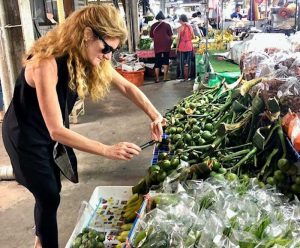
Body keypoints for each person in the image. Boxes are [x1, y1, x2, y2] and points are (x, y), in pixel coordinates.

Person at [2, 5, 166, 248]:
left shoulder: (83, 54)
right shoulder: (45, 63)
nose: (109, 56)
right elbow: (56, 130)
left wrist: (155, 115)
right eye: (106, 49)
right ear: (87, 34)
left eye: (114, 49)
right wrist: (108, 150)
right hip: (25, 135)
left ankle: (40, 238)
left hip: (49, 131)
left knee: (51, 190)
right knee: (48, 194)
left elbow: (127, 87)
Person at [150, 11, 173, 83]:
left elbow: (151, 37)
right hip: (166, 45)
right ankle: (165, 78)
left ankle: (157, 79)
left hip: (157, 45)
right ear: (163, 18)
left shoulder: (153, 26)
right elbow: (171, 36)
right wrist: (170, 43)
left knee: (157, 61)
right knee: (166, 61)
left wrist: (157, 40)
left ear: (157, 18)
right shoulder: (167, 25)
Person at [176, 14, 195, 81]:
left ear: (181, 20)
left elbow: (178, 38)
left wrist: (176, 48)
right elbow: (193, 36)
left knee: (181, 61)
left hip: (182, 46)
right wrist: (188, 39)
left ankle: (182, 76)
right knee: (189, 61)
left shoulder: (180, 28)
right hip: (189, 45)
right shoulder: (190, 26)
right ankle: (189, 76)